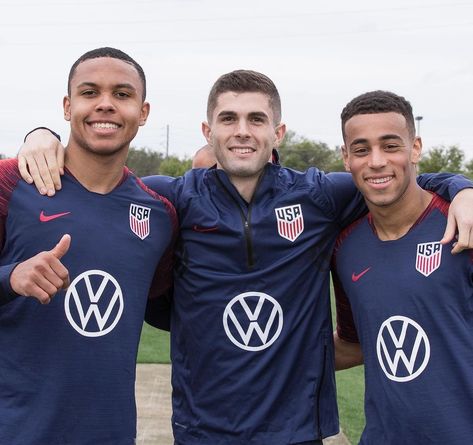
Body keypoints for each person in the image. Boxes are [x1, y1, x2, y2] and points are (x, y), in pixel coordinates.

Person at [18, 71, 473, 445]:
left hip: (298, 430)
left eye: (256, 119)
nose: (241, 131)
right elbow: (98, 181)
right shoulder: (170, 199)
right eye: (228, 118)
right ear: (207, 131)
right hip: (202, 430)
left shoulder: (320, 196)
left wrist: (461, 188)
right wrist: (40, 135)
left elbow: (392, 176)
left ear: (277, 132)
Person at [0, 47, 177, 445]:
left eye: (122, 94)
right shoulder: (12, 183)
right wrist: (12, 277)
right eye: (90, 92)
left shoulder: (159, 215)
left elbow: (166, 309)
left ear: (143, 112)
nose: (105, 105)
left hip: (110, 433)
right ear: (67, 106)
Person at [332, 90, 473, 443]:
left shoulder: (463, 224)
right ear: (346, 157)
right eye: (362, 149)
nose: (376, 161)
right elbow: (354, 344)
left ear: (415, 149)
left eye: (390, 146)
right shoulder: (346, 247)